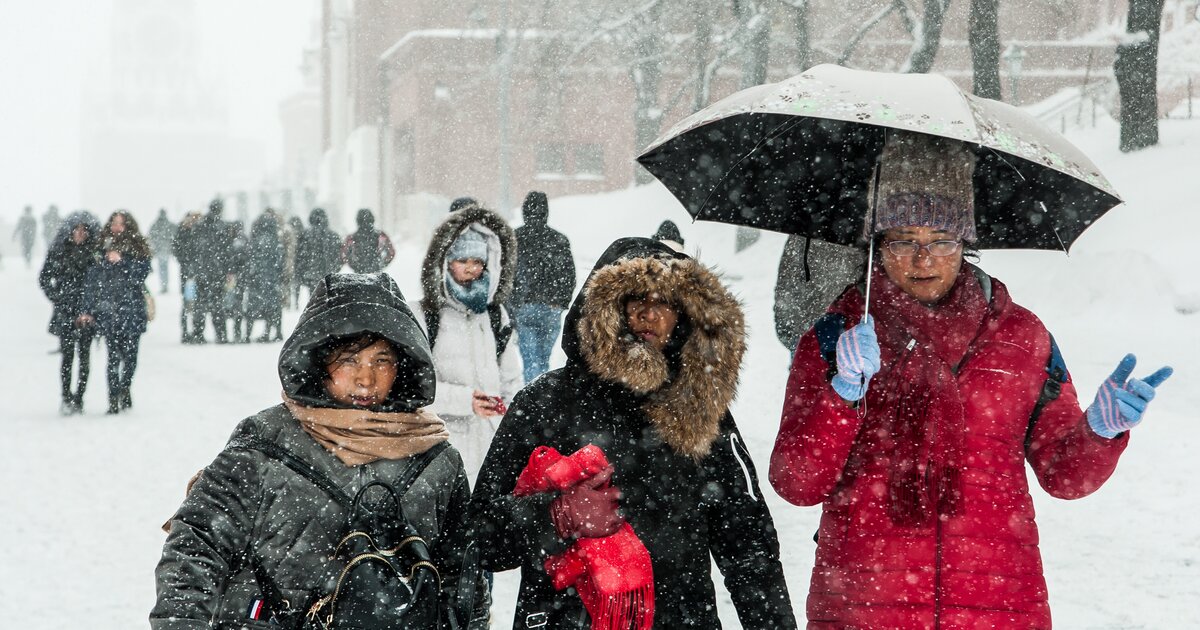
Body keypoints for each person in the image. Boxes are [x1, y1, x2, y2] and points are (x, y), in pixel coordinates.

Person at [768, 131, 1173, 629]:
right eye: (903, 241)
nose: (924, 259)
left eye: (941, 240)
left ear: (965, 244)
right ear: (876, 246)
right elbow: (797, 483)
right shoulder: (835, 338)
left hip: (999, 605)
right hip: (863, 607)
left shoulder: (1023, 338)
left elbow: (1065, 477)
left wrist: (1099, 433)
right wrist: (842, 394)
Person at [469, 237, 797, 628]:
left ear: (685, 314)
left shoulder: (699, 407)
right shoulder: (546, 402)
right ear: (605, 308)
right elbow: (479, 539)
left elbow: (749, 547)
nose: (648, 314)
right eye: (634, 298)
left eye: (665, 301)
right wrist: (556, 517)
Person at [152, 273, 489, 629]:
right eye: (349, 360)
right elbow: (197, 545)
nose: (365, 378)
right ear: (318, 362)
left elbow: (462, 579)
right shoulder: (264, 444)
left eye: (381, 361)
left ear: (403, 363)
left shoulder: (436, 458)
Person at [417, 202, 523, 486]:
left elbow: (511, 379)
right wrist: (465, 401)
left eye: (478, 262)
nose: (472, 269)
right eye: (463, 261)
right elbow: (412, 389)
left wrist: (511, 424)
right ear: (445, 261)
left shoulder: (493, 314)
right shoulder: (426, 316)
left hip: (492, 445)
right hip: (442, 448)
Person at [80, 211, 152, 414]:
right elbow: (92, 282)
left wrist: (122, 261)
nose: (117, 227)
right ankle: (113, 398)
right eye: (114, 223)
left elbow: (141, 275)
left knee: (131, 357)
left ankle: (125, 386)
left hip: (133, 310)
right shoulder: (100, 249)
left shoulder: (138, 249)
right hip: (109, 311)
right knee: (112, 357)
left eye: (121, 224)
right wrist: (87, 309)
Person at [39, 211, 101, 414]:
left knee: (84, 356)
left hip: (87, 312)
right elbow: (45, 278)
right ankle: (66, 396)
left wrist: (92, 305)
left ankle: (79, 397)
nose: (81, 234)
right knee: (67, 356)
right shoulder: (59, 251)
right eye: (77, 230)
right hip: (65, 311)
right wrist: (58, 297)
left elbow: (100, 283)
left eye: (85, 230)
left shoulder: (94, 254)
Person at [511, 191, 576, 383]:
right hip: (551, 308)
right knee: (543, 359)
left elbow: (508, 275)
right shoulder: (559, 240)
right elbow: (569, 276)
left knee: (530, 358)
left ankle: (532, 398)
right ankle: (541, 394)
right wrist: (561, 302)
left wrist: (513, 303)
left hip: (524, 306)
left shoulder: (515, 238)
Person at [773, 235, 863, 356]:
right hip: (807, 334)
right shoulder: (803, 231)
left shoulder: (864, 232)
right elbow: (787, 283)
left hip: (853, 338)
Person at [192, 199, 234, 343]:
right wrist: (228, 270)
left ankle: (198, 333)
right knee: (217, 304)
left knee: (200, 304)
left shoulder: (199, 226)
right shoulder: (222, 227)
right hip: (217, 271)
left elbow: (194, 249)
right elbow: (227, 251)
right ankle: (221, 335)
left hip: (202, 270)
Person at [243, 213, 285, 343]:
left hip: (256, 280)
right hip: (271, 280)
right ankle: (271, 333)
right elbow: (279, 263)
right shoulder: (276, 242)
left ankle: (247, 334)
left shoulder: (254, 242)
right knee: (273, 307)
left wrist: (251, 275)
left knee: (252, 308)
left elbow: (249, 261)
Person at [295, 207, 342, 302]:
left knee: (314, 300)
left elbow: (300, 256)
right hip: (329, 273)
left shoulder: (304, 235)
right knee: (328, 300)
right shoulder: (333, 235)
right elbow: (339, 256)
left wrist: (301, 271)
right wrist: (335, 268)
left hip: (311, 273)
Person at [173, 211, 204, 343]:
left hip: (194, 272)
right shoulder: (186, 232)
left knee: (195, 305)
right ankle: (189, 332)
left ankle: (195, 332)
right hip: (190, 273)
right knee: (190, 304)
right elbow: (178, 251)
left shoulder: (188, 232)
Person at [342, 208, 395, 273]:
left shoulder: (351, 238)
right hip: (376, 273)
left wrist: (354, 266)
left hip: (359, 274)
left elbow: (345, 254)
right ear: (373, 220)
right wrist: (381, 264)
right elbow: (391, 253)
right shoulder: (381, 235)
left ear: (358, 221)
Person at [148, 209, 177, 294]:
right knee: (164, 268)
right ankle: (165, 285)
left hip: (161, 250)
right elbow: (174, 235)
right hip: (166, 250)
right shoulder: (169, 224)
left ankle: (164, 285)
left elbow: (151, 235)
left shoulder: (156, 224)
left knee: (162, 268)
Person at [283, 215, 304, 309]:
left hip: (289, 261)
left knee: (287, 281)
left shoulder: (287, 234)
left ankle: (288, 301)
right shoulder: (302, 234)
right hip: (298, 262)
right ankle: (295, 301)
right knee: (296, 283)